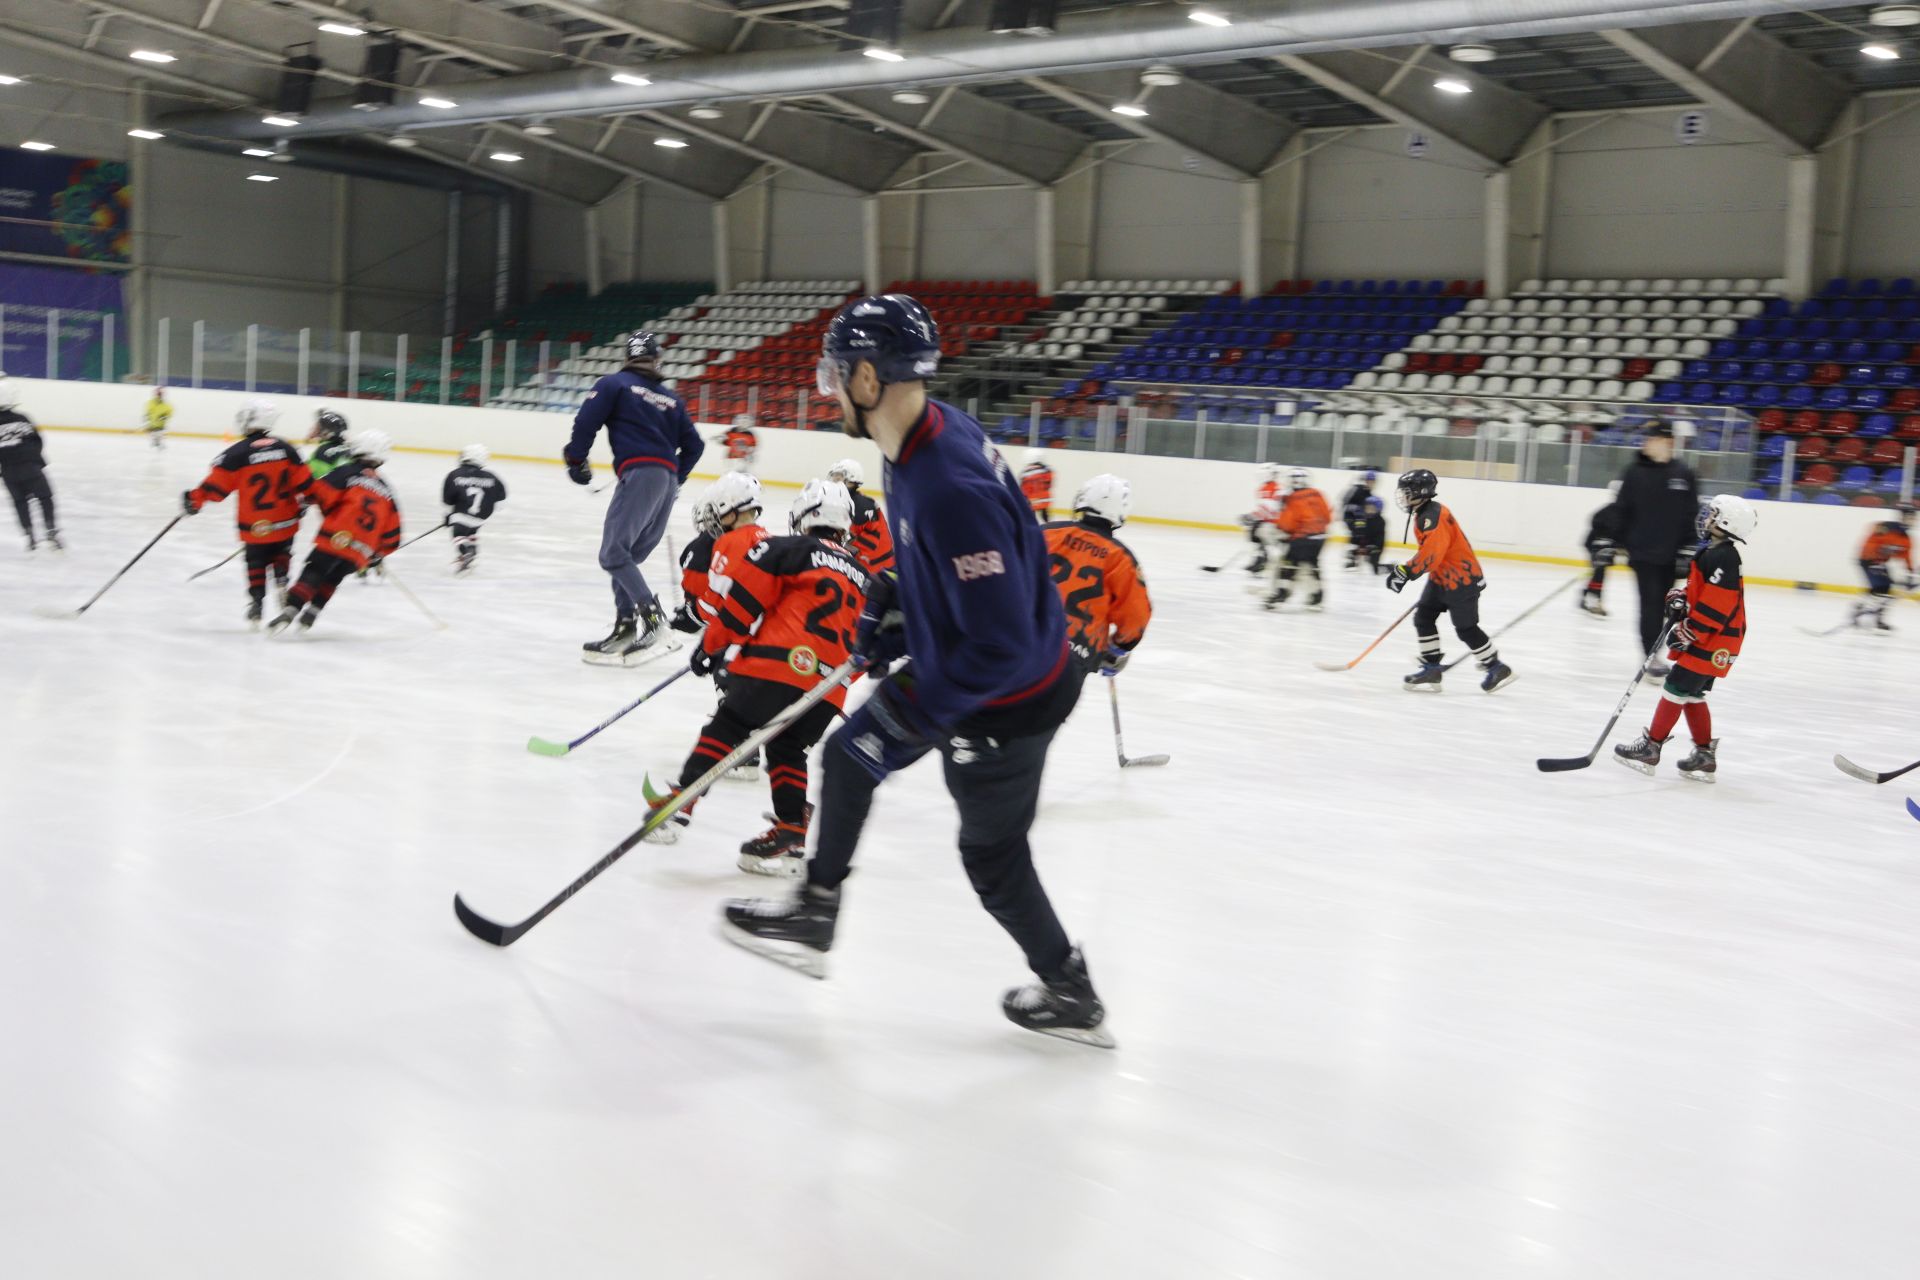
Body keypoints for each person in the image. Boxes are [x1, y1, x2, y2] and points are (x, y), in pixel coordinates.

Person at [721, 293, 1109, 1048]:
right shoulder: (920, 440)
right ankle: (819, 906)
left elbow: (995, 642)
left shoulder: (947, 484)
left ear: (870, 378)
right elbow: (959, 569)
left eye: (839, 376)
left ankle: (1068, 988)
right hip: (993, 664)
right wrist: (895, 602)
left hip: (1009, 697)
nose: (830, 390)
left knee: (987, 855)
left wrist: (922, 710)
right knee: (855, 756)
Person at [646, 479, 871, 879]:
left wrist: (709, 647)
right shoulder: (863, 574)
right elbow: (872, 644)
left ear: (805, 515)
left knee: (728, 725)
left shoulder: (785, 548)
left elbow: (742, 607)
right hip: (831, 687)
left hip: (777, 666)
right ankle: (790, 831)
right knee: (787, 748)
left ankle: (681, 804)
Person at [564, 330, 705, 664]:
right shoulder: (672, 399)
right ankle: (625, 626)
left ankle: (655, 625)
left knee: (613, 554)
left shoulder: (614, 384)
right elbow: (695, 446)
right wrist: (674, 477)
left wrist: (575, 460)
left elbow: (586, 421)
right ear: (657, 359)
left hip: (640, 473)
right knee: (626, 557)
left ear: (627, 357)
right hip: (666, 480)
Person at [1614, 495, 1755, 783]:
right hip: (1715, 639)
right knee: (1691, 694)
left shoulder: (1723, 556)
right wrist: (1682, 599)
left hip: (1714, 640)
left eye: (1713, 514)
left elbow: (1718, 604)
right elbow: (1702, 594)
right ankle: (1704, 756)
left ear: (1726, 523)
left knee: (1675, 686)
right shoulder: (1714, 552)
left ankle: (1651, 747)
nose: (1707, 518)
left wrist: (1690, 631)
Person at [181, 399, 313, 628]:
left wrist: (194, 500)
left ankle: (256, 603)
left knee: (255, 559)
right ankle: (282, 580)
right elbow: (306, 483)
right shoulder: (287, 449)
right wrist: (306, 501)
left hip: (254, 524)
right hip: (285, 519)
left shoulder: (235, 454)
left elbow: (216, 488)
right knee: (282, 550)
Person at [1386, 469, 1516, 694]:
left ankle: (1496, 667)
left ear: (1420, 492)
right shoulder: (1423, 513)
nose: (1403, 496)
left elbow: (1431, 555)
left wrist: (1405, 571)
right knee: (1424, 617)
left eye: (1406, 492)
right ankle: (1432, 668)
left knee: (1466, 628)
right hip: (1442, 578)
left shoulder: (1432, 517)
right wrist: (1406, 570)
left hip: (1461, 579)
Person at [267, 429, 402, 636]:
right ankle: (312, 613)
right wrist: (378, 554)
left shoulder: (347, 472)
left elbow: (321, 492)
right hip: (362, 551)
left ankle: (291, 609)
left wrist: (302, 504)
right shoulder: (387, 490)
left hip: (336, 537)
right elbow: (393, 535)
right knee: (333, 578)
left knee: (315, 570)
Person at [1042, 474, 1152, 676]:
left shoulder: (1046, 533)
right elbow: (1135, 619)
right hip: (1074, 658)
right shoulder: (1121, 559)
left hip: (1023, 640)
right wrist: (1116, 650)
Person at [1614, 421, 1698, 675]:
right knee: (1649, 604)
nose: (1647, 442)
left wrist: (1688, 548)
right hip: (1643, 555)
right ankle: (1650, 654)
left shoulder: (1683, 473)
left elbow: (1691, 513)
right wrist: (1612, 541)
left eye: (1652, 438)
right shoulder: (1634, 472)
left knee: (1667, 606)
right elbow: (1621, 510)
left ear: (1668, 441)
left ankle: (1661, 649)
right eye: (1646, 438)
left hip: (1672, 556)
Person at [0, 381, 59, 551]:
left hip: (9, 470)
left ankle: (29, 534)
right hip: (31, 468)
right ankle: (51, 529)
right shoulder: (22, 419)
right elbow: (37, 440)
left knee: (19, 501)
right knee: (45, 497)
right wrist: (36, 460)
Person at [1265, 467, 1331, 611]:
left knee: (1288, 564)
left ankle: (1282, 593)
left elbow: (1287, 523)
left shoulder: (1291, 498)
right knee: (1312, 565)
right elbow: (1327, 516)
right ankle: (1317, 596)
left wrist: (1281, 533)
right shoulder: (1318, 494)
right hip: (1320, 538)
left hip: (1302, 538)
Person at [442, 443, 507, 574]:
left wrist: (448, 516)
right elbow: (501, 497)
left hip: (461, 514)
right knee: (471, 531)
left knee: (458, 534)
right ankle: (472, 548)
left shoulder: (455, 474)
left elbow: (448, 499)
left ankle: (466, 551)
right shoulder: (491, 476)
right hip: (482, 516)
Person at [1853, 502, 1914, 632]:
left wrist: (1910, 573)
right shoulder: (1885, 527)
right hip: (1867, 561)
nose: (1913, 520)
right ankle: (1859, 612)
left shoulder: (1906, 539)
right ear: (1902, 516)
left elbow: (1906, 556)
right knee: (1880, 588)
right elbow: (1870, 543)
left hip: (1880, 563)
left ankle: (1871, 616)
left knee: (1885, 589)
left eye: (1914, 517)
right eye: (1910, 516)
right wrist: (1873, 559)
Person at [827, 457, 894, 572]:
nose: (833, 482)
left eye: (838, 478)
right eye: (833, 477)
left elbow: (848, 542)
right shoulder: (855, 501)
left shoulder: (859, 506)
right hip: (876, 564)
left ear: (852, 481)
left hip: (876, 569)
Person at [1582, 480, 1625, 618]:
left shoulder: (1621, 510)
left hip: (1603, 546)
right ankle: (1594, 602)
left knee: (1599, 572)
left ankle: (1585, 598)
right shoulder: (1613, 510)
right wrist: (1603, 541)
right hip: (1596, 545)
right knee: (1599, 572)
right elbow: (1596, 521)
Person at [1244, 463, 1284, 574]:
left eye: (1262, 474)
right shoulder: (1267, 488)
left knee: (1258, 531)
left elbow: (1269, 510)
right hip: (1271, 520)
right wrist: (1253, 516)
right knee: (1254, 531)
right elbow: (1265, 509)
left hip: (1276, 522)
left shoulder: (1273, 488)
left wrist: (1252, 516)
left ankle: (1263, 559)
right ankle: (1260, 558)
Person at [1340, 470, 1377, 570]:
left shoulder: (1369, 493)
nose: (1371, 483)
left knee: (1361, 534)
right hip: (1350, 516)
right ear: (1365, 480)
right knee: (1357, 533)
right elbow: (1345, 502)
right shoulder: (1357, 489)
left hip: (1359, 518)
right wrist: (1357, 510)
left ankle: (1354, 556)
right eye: (1369, 480)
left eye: (1373, 481)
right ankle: (1351, 558)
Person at [307, 408, 353, 480]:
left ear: (326, 432)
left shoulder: (322, 452)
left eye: (318, 427)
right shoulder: (350, 448)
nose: (314, 429)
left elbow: (313, 479)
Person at [1350, 495, 1386, 576]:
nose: (1368, 510)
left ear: (1378, 509)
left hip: (1375, 546)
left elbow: (1380, 537)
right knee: (1351, 549)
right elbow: (1357, 531)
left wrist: (1372, 547)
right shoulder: (1362, 518)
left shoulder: (1380, 521)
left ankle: (1387, 568)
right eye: (1367, 507)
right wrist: (1356, 543)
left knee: (1374, 566)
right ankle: (1351, 563)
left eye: (1371, 508)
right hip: (1363, 544)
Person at [1019, 449, 1054, 523]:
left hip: (1031, 497)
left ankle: (1033, 526)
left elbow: (1023, 485)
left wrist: (1023, 495)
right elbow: (1049, 482)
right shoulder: (1046, 469)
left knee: (1031, 512)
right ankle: (1048, 525)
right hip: (1044, 496)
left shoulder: (1026, 471)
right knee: (1044, 513)